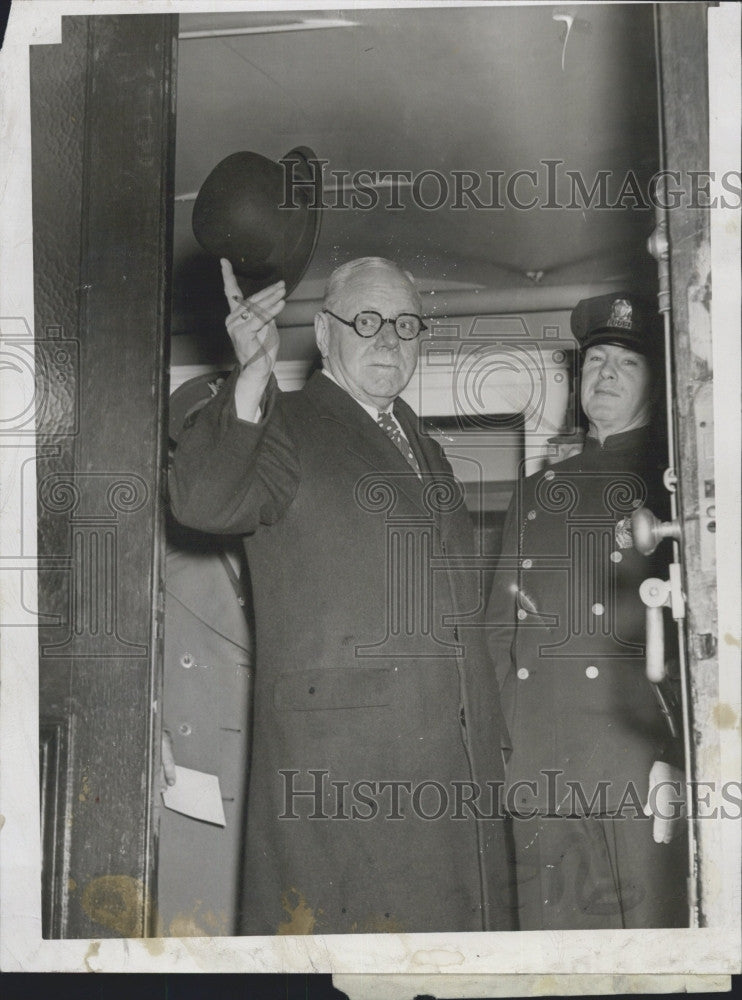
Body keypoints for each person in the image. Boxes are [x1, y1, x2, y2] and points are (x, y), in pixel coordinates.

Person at [169, 256, 513, 935]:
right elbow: (204, 500)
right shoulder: (284, 422)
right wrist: (252, 376)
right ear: (324, 335)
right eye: (366, 321)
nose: (389, 339)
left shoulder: (426, 449)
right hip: (342, 783)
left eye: (406, 323)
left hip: (453, 774)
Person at [487, 291, 687, 930]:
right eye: (595, 360)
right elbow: (497, 633)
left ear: (658, 381)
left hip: (634, 758)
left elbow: (691, 633)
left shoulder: (675, 484)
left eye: (626, 365)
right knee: (554, 960)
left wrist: (679, 755)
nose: (605, 375)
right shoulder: (537, 491)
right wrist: (498, 749)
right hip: (541, 762)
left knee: (650, 955)